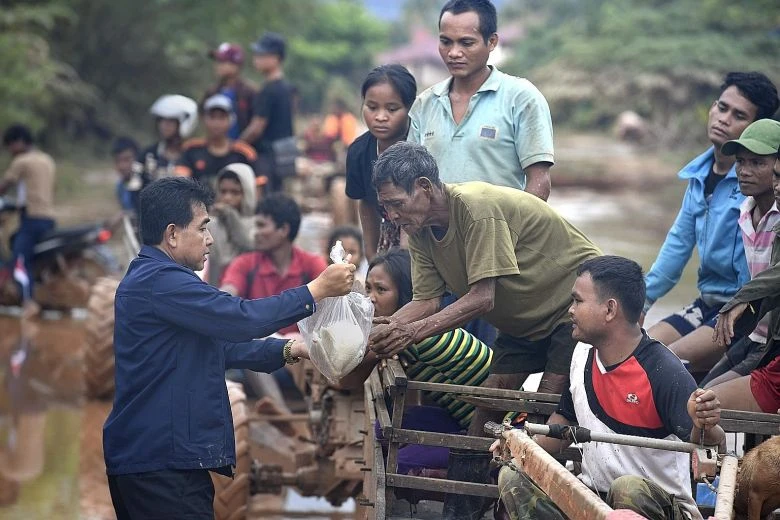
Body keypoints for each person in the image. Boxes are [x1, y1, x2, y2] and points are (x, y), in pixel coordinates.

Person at [368, 142, 601, 517]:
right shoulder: (423, 232)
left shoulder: (475, 209)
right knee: (486, 408)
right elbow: (427, 300)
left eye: (397, 204)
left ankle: (521, 507)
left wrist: (411, 333)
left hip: (567, 307)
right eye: (387, 207)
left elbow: (482, 299)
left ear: (425, 188)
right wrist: (383, 327)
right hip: (521, 319)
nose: (393, 216)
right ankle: (462, 510)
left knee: (541, 410)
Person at [102, 177, 355, 519]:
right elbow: (242, 318)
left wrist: (289, 349)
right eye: (203, 228)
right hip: (162, 463)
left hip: (157, 459)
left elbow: (219, 350)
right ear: (173, 234)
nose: (209, 239)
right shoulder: (162, 282)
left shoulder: (157, 279)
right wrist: (315, 290)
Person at [494, 256, 726, 520]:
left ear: (610, 310)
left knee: (627, 488)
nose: (570, 310)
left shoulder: (663, 371)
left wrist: (705, 424)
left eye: (578, 301)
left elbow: (711, 446)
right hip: (595, 502)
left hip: (655, 507)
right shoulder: (581, 355)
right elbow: (565, 421)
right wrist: (519, 446)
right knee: (514, 476)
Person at [643, 72, 779, 377]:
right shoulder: (698, 176)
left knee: (666, 363)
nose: (724, 118)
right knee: (641, 352)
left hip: (745, 310)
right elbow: (677, 246)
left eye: (739, 115)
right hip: (706, 302)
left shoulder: (758, 188)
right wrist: (643, 301)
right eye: (721, 107)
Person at [338, 248, 492, 477]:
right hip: (465, 421)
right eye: (368, 288)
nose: (370, 297)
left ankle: (484, 477)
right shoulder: (419, 324)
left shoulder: (408, 333)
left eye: (381, 290)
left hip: (496, 432)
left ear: (406, 296)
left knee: (398, 466)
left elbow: (348, 380)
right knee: (382, 429)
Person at [407, 0, 554, 200]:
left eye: (466, 43)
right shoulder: (425, 104)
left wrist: (514, 230)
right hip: (436, 231)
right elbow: (412, 182)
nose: (454, 53)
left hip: (499, 230)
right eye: (446, 41)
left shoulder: (521, 98)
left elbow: (539, 183)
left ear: (492, 42)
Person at [701, 119, 780, 388]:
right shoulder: (745, 211)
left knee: (706, 399)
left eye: (757, 163)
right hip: (754, 334)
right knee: (699, 391)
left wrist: (741, 299)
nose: (744, 171)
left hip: (773, 341)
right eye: (741, 162)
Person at [221, 193, 327, 335]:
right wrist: (220, 299)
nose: (255, 233)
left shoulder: (312, 265)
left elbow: (328, 310)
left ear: (284, 229)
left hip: (303, 350)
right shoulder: (245, 263)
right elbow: (229, 291)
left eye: (261, 225)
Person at [346, 64, 417, 260]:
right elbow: (366, 204)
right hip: (389, 238)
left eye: (392, 109)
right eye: (372, 107)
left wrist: (404, 258)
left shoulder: (421, 147)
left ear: (410, 108)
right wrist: (371, 254)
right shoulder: (359, 152)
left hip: (424, 238)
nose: (380, 117)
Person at [0, 124, 56, 317]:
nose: (10, 151)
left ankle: (28, 302)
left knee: (19, 261)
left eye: (10, 146)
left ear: (18, 142)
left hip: (31, 219)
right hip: (47, 218)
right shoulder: (47, 159)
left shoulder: (22, 161)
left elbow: (5, 185)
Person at [240, 32, 295, 193]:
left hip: (268, 156)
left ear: (276, 58)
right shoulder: (286, 88)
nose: (256, 59)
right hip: (285, 153)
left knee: (267, 196)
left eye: (261, 54)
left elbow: (257, 127)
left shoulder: (268, 91)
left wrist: (236, 145)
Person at [175, 94, 261, 188]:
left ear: (231, 120)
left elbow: (257, 186)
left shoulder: (245, 153)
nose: (217, 123)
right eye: (212, 117)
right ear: (204, 119)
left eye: (222, 117)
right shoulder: (191, 149)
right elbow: (181, 181)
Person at [205, 163, 256, 286]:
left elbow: (248, 247)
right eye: (223, 192)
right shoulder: (210, 225)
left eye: (235, 192)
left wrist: (231, 217)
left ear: (247, 193)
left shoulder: (257, 224)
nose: (227, 198)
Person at [203, 43, 256, 139]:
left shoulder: (250, 92)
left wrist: (239, 146)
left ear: (236, 65)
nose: (217, 65)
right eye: (217, 62)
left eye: (222, 62)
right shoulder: (212, 92)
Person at [140, 95, 199, 180]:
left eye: (170, 120)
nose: (164, 126)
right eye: (161, 120)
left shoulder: (196, 156)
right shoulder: (149, 155)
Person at [112, 137, 145, 216]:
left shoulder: (147, 184)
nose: (122, 166)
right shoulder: (120, 187)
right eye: (118, 161)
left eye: (126, 160)